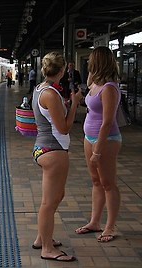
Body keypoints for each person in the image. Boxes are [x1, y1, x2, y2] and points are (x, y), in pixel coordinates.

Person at [31, 51, 83, 262]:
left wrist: (66, 106)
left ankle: (42, 238)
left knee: (56, 197)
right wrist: (75, 104)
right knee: (49, 202)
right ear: (62, 71)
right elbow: (63, 128)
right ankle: (47, 248)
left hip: (45, 149)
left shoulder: (40, 89)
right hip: (53, 150)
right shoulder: (51, 94)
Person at [75, 46, 122, 243]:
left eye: (90, 60)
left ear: (98, 62)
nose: (87, 62)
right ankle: (94, 222)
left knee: (108, 183)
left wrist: (98, 150)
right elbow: (88, 86)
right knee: (96, 181)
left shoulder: (109, 88)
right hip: (89, 137)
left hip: (107, 140)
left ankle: (110, 226)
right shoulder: (94, 82)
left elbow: (108, 121)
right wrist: (92, 74)